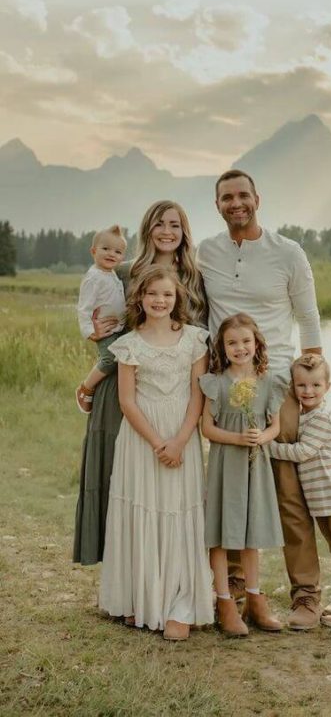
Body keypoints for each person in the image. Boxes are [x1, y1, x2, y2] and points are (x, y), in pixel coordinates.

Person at [196, 170, 323, 630]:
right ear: (217, 204)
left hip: (277, 386)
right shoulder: (207, 252)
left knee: (287, 495)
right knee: (231, 492)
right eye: (226, 197)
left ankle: (306, 594)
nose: (236, 203)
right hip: (227, 388)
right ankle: (232, 594)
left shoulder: (288, 252)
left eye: (243, 195)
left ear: (257, 199)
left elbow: (309, 320)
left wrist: (312, 388)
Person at [73, 200, 207, 565]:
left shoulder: (196, 276)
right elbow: (98, 309)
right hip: (124, 384)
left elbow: (203, 335)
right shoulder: (126, 272)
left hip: (174, 393)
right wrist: (93, 332)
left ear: (184, 232)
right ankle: (124, 570)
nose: (167, 231)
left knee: (165, 487)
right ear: (147, 229)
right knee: (118, 476)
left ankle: (166, 570)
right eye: (159, 224)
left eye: (175, 225)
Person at [98, 266, 213, 639]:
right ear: (140, 299)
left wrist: (179, 440)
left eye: (166, 294)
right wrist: (156, 442)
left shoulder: (195, 339)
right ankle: (141, 599)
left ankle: (180, 605)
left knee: (179, 513)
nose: (160, 301)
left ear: (177, 297)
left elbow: (198, 395)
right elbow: (127, 401)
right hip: (140, 439)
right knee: (142, 509)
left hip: (182, 434)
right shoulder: (129, 343)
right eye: (152, 295)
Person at [200, 313, 284, 637]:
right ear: (222, 347)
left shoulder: (268, 381)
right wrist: (237, 439)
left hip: (255, 466)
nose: (240, 348)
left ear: (257, 343)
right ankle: (224, 602)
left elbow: (274, 425)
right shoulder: (216, 382)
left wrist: (263, 437)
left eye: (246, 341)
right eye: (232, 343)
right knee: (221, 534)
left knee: (251, 534)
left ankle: (254, 599)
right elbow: (206, 428)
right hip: (225, 465)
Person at [269, 354, 331, 629]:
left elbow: (302, 452)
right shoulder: (306, 415)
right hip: (321, 502)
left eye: (315, 385)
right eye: (301, 386)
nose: (308, 391)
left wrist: (267, 445)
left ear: (328, 387)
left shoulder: (322, 417)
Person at [75, 225, 127, 414]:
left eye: (118, 251)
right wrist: (91, 333)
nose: (112, 254)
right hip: (104, 331)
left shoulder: (111, 273)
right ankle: (85, 388)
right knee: (110, 358)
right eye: (106, 249)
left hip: (117, 329)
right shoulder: (93, 278)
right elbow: (84, 309)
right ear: (93, 251)